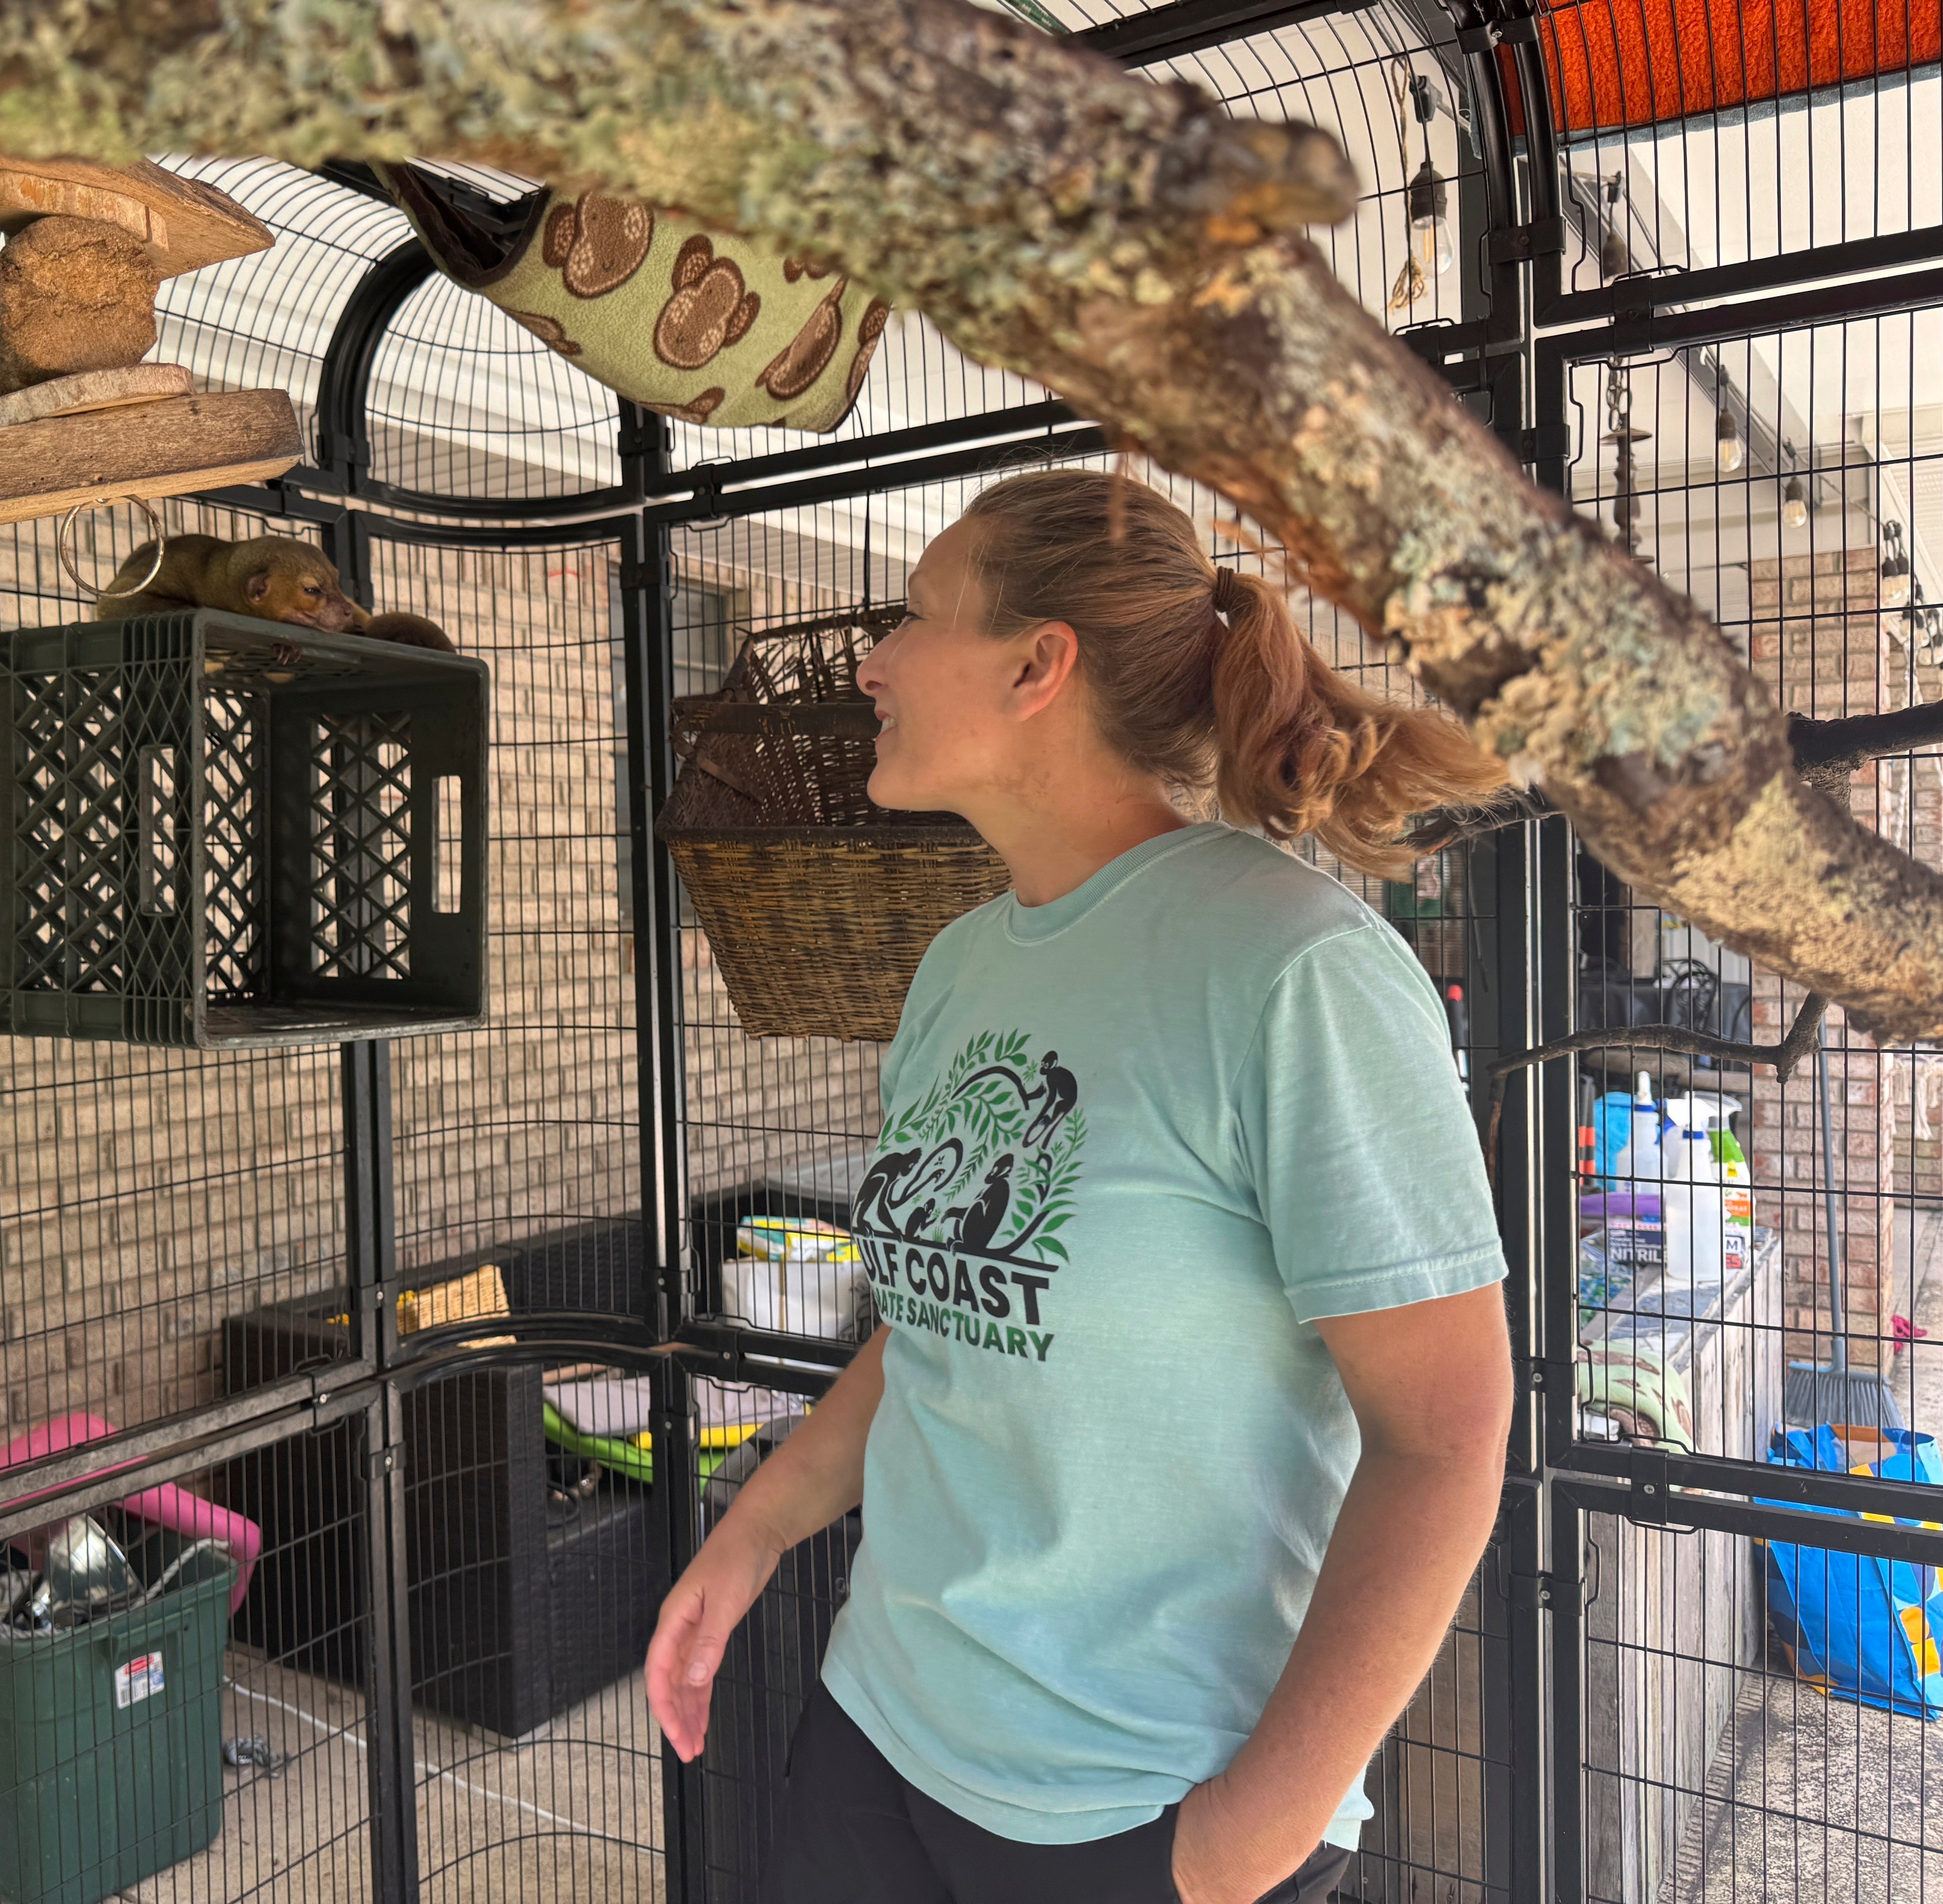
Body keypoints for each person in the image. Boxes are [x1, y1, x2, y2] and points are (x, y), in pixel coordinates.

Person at [644, 470, 1518, 1904]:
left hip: (1138, 1807)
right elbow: (935, 1325)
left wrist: (1241, 1843)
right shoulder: (960, 964)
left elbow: (1445, 1435)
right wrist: (750, 1538)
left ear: (1039, 663)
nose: (871, 659)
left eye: (916, 616)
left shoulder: (1295, 968)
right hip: (883, 1727)